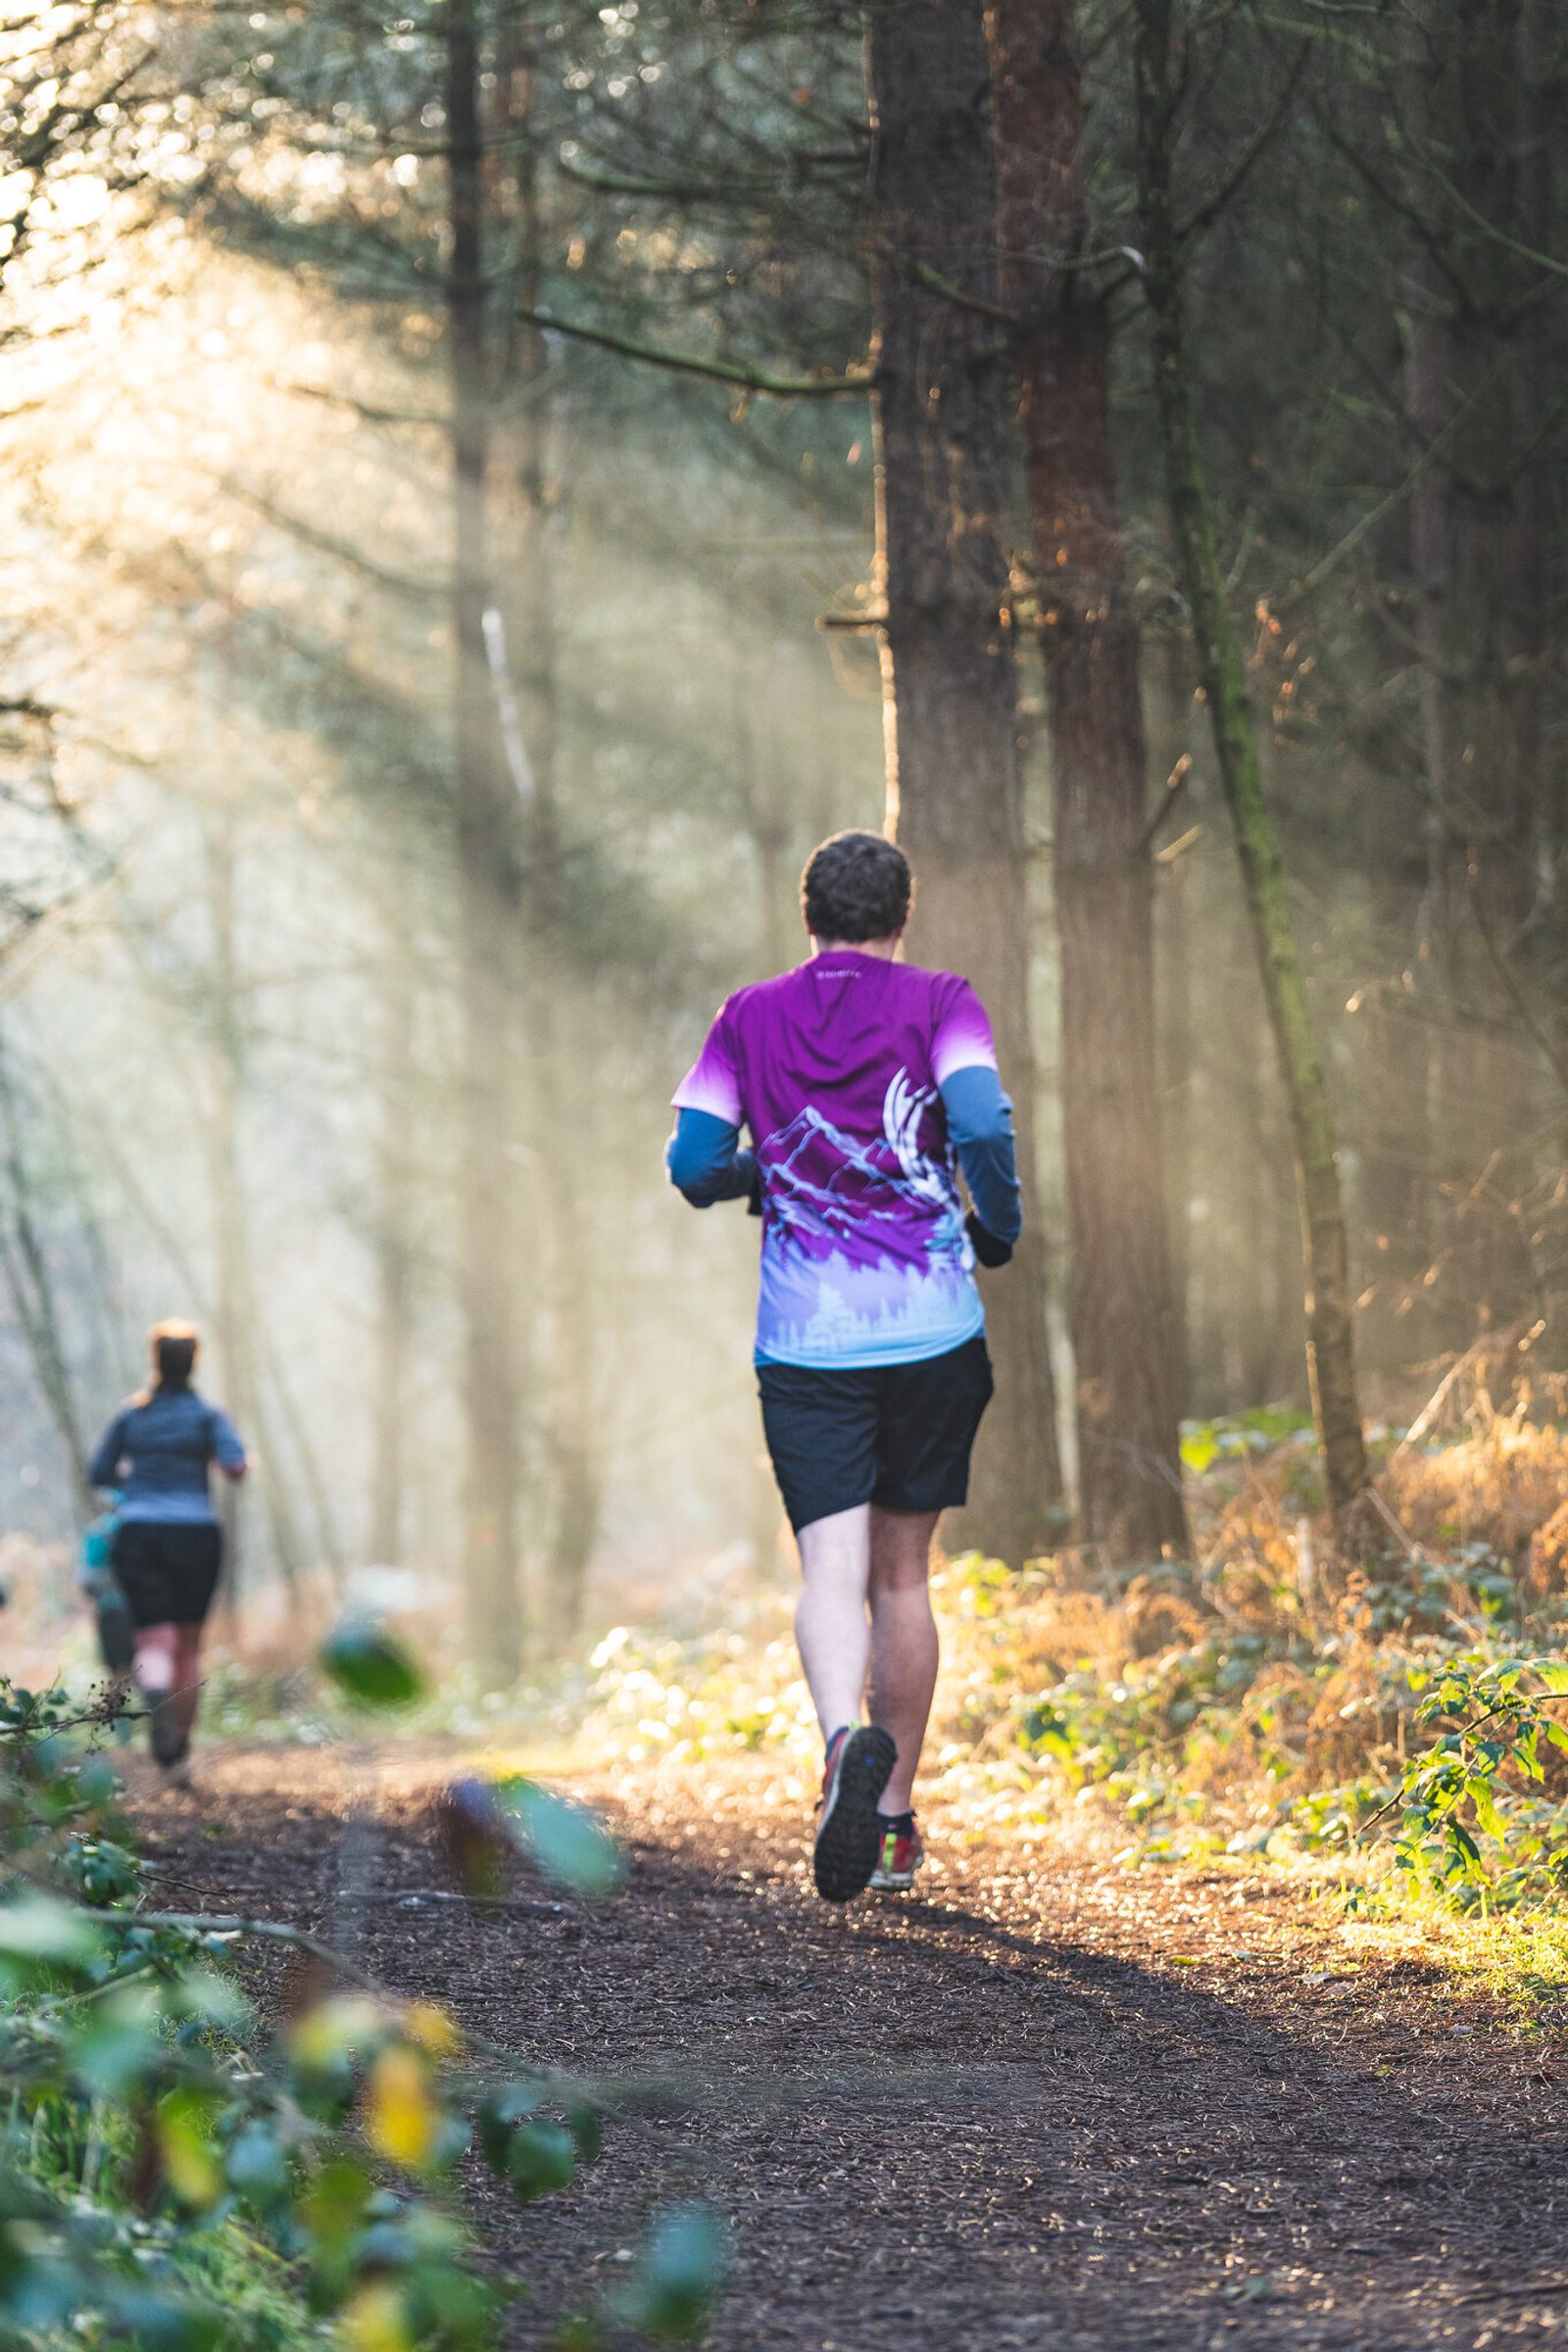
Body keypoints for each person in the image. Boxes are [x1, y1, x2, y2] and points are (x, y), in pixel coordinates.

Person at [666, 830, 1020, 1902]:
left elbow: (688, 1166)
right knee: (903, 1576)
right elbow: (979, 1121)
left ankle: (836, 1755)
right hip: (932, 1329)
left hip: (807, 1341)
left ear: (806, 914)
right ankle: (897, 1821)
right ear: (901, 915)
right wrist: (991, 1224)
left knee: (829, 1570)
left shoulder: (747, 1015)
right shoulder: (942, 1000)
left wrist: (760, 1169)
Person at [86, 1320, 248, 1786]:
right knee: (188, 1645)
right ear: (194, 1362)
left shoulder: (131, 1416)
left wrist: (135, 1485)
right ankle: (176, 1751)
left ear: (154, 1362)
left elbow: (99, 1472)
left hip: (139, 1533)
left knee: (154, 1642)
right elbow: (236, 1467)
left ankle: (155, 1698)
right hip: (196, 1534)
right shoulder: (207, 1417)